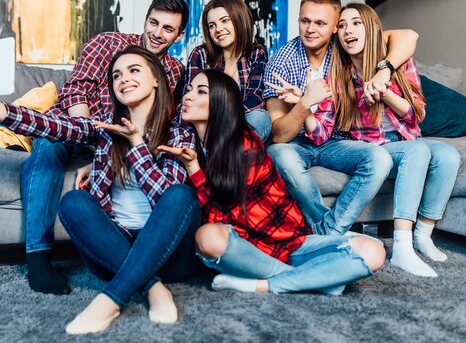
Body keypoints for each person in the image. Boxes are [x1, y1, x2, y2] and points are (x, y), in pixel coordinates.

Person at [0, 46, 201, 334]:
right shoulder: (104, 130)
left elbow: (166, 201)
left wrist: (137, 147)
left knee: (181, 196)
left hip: (170, 256)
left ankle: (110, 300)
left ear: (157, 79)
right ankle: (153, 287)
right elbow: (49, 125)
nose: (123, 79)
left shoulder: (179, 133)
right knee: (74, 201)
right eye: (116, 75)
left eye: (134, 71)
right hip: (112, 252)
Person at [20, 0, 189, 295]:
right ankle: (38, 256)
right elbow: (75, 91)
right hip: (79, 123)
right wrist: (94, 136)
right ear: (146, 19)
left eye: (168, 29)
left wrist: (108, 152)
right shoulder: (108, 43)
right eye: (154, 23)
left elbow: (157, 123)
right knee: (49, 144)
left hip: (116, 142)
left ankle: (133, 269)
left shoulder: (174, 71)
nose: (157, 33)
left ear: (179, 35)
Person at [160, 69, 385, 294]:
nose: (188, 96)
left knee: (373, 251)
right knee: (207, 237)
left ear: (222, 102)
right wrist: (193, 167)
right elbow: (214, 224)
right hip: (247, 251)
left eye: (201, 92)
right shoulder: (190, 148)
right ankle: (315, 279)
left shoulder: (243, 144)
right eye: (189, 90)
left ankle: (265, 285)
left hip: (291, 244)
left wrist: (195, 172)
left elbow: (225, 215)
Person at [304, 3, 460, 277]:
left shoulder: (397, 64)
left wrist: (384, 90)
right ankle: (401, 247)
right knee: (417, 151)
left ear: (373, 30)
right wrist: (307, 104)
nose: (347, 30)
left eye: (355, 23)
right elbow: (329, 130)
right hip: (373, 147)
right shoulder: (339, 75)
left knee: (449, 155)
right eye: (341, 26)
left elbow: (417, 114)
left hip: (404, 138)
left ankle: (422, 235)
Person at [262, 0, 420, 235]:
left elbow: (408, 36)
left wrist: (384, 71)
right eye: (305, 21)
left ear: (336, 26)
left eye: (320, 23)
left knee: (379, 158)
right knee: (279, 155)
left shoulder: (346, 46)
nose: (310, 29)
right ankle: (332, 230)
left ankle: (328, 232)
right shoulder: (281, 62)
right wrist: (304, 103)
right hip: (296, 143)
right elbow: (279, 135)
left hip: (336, 141)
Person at [181, 0, 270, 140]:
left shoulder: (256, 54)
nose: (218, 29)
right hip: (208, 125)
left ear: (239, 19)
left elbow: (256, 98)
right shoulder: (201, 54)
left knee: (260, 118)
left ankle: (228, 150)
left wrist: (227, 120)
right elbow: (189, 98)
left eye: (225, 21)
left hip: (242, 124)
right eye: (212, 25)